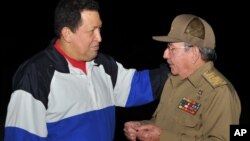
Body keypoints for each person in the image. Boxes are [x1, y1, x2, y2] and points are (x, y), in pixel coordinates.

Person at [4, 0, 169, 140]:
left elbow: (140, 86)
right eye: (92, 31)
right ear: (67, 34)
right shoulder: (35, 75)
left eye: (100, 29)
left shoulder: (103, 65)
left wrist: (178, 66)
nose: (99, 37)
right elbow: (21, 136)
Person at [124, 14, 241, 141]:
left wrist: (162, 137)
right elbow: (164, 124)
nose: (165, 55)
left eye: (171, 48)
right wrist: (142, 126)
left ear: (194, 53)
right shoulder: (173, 80)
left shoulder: (219, 92)